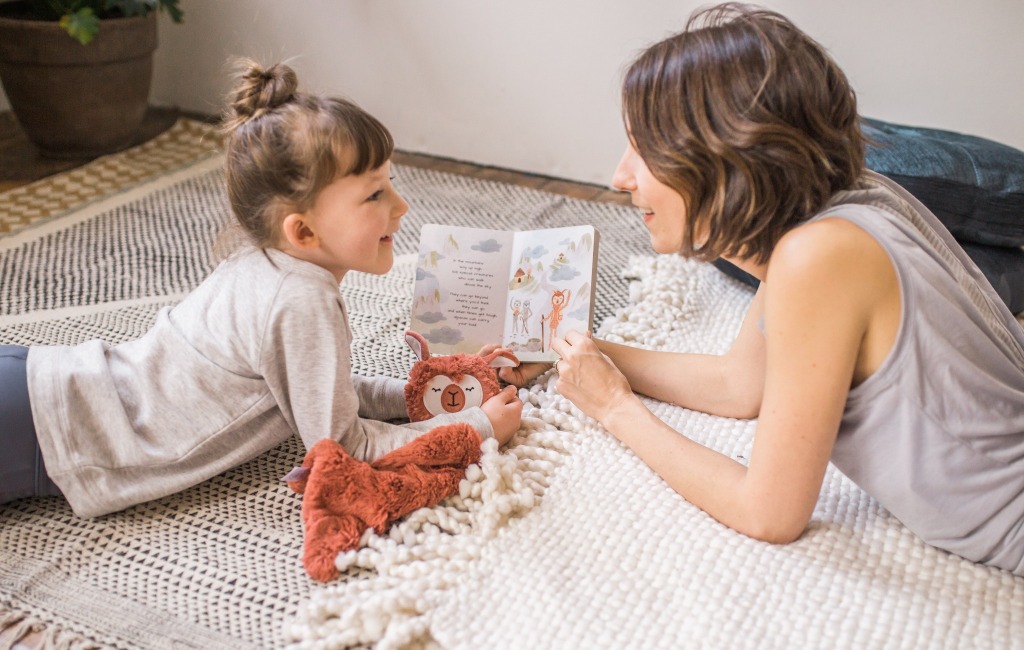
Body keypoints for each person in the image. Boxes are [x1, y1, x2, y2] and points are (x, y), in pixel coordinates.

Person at [546, 3, 1024, 575]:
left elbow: (769, 513)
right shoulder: (829, 214)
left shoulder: (817, 255)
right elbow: (738, 387)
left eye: (643, 151)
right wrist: (570, 350)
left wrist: (614, 407)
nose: (620, 177)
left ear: (720, 159)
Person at [0, 60, 523, 519]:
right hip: (47, 432)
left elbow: (325, 390)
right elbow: (343, 447)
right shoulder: (302, 301)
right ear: (303, 231)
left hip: (42, 383)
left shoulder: (262, 259)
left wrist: (418, 400)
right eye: (375, 194)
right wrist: (475, 428)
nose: (401, 206)